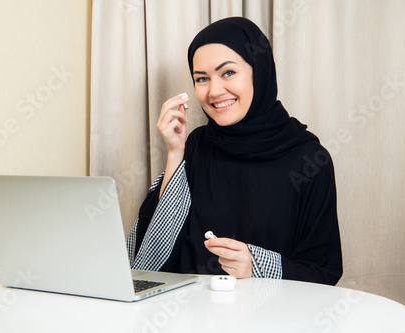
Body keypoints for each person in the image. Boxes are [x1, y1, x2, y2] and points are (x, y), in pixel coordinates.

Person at [126, 17, 343, 285]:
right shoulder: (197, 144)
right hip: (188, 314)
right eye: (202, 78)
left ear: (258, 71)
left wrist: (257, 264)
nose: (214, 91)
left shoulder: (309, 158)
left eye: (228, 73)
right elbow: (153, 255)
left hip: (270, 319)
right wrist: (175, 152)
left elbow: (324, 271)